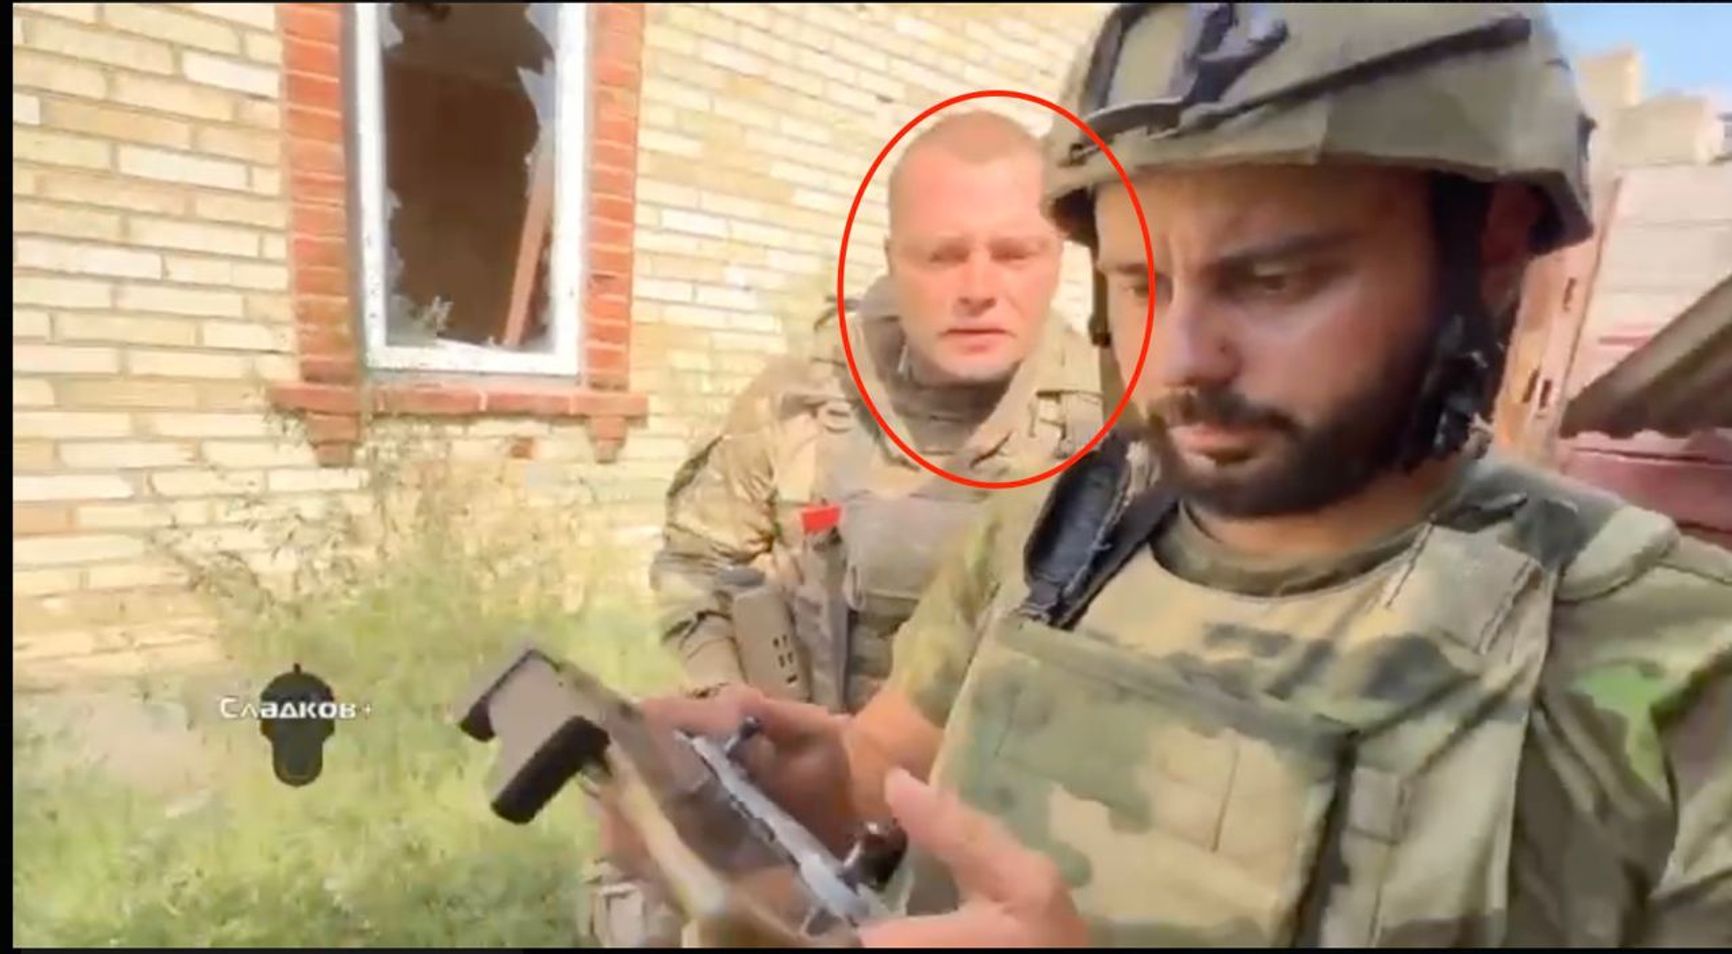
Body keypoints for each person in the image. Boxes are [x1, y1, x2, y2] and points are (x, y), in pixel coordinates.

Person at [599, 2, 1732, 947]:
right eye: (1141, 283)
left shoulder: (1683, 678)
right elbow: (885, 767)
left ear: (1490, 245)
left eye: (1272, 281)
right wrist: (794, 788)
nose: (1179, 362)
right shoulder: (1061, 528)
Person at [582, 109, 1104, 947]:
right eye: (943, 255)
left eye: (1015, 253)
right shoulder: (802, 401)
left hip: (1006, 849)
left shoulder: (1118, 426)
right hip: (808, 802)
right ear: (893, 260)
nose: (979, 287)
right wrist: (737, 722)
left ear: (1058, 258)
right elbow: (698, 562)